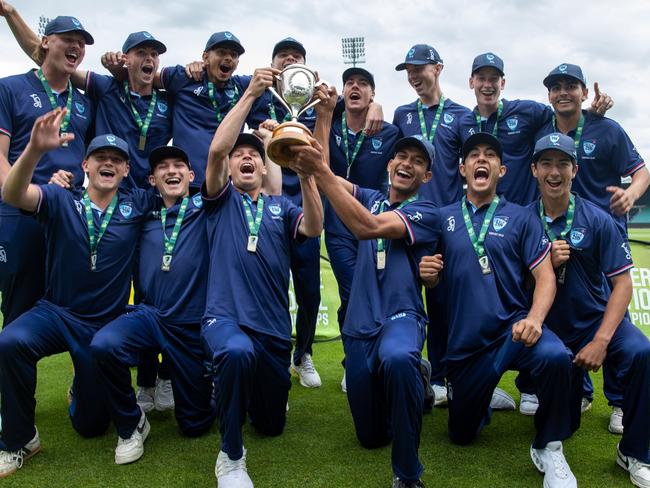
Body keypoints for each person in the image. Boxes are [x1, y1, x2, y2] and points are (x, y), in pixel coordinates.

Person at [292, 84, 439, 486]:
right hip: (359, 322)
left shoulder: (425, 210)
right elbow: (328, 179)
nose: (406, 164)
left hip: (400, 316)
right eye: (401, 157)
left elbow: (367, 227)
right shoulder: (371, 195)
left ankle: (408, 474)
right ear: (390, 164)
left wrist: (320, 171)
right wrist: (323, 116)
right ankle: (413, 384)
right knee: (370, 437)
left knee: (397, 359)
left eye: (417, 161)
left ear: (427, 175)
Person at [0, 111, 155, 478]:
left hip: (104, 325)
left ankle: (85, 391)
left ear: (126, 170)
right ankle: (19, 440)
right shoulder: (59, 198)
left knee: (90, 427)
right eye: (101, 157)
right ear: (86, 163)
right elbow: (12, 192)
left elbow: (182, 195)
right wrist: (35, 151)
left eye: (117, 160)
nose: (108, 163)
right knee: (9, 342)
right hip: (56, 313)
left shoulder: (137, 206)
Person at [422, 132, 579, 488]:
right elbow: (432, 279)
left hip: (514, 330)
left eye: (490, 155)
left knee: (555, 356)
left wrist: (535, 319)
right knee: (461, 435)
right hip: (466, 347)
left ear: (502, 170)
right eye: (474, 155)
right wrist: (428, 276)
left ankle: (549, 445)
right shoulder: (443, 217)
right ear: (462, 169)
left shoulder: (522, 218)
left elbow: (545, 277)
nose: (482, 159)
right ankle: (482, 396)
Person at [200, 67, 323, 487]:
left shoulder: (279, 207)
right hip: (226, 318)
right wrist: (251, 94)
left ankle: (241, 394)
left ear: (266, 162)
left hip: (272, 330)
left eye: (255, 152)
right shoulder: (219, 202)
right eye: (240, 153)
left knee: (271, 425)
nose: (246, 156)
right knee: (235, 353)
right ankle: (231, 456)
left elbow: (313, 227)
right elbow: (216, 150)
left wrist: (306, 173)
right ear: (232, 165)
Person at [521, 63, 648, 420]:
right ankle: (578, 390)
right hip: (555, 230)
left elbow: (640, 172)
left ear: (584, 91)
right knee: (564, 309)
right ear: (548, 95)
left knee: (607, 315)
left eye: (570, 86)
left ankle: (620, 400)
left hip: (601, 234)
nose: (563, 92)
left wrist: (631, 195)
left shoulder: (606, 129)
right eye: (556, 87)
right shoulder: (542, 130)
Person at [529, 131, 650, 488]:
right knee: (555, 371)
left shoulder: (598, 219)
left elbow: (623, 285)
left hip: (593, 321)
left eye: (562, 164)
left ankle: (635, 450)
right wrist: (544, 262)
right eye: (547, 163)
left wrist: (601, 339)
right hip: (549, 326)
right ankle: (546, 443)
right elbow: (514, 284)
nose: (555, 172)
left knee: (642, 351)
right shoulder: (522, 219)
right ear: (534, 169)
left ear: (575, 170)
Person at [89, 146, 216, 465]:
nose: (171, 171)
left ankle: (212, 388)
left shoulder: (207, 205)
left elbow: (221, 163)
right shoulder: (141, 212)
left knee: (195, 426)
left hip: (190, 324)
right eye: (162, 167)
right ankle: (132, 424)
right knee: (104, 344)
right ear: (151, 179)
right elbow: (102, 198)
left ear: (191, 176)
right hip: (151, 316)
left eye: (178, 166)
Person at [0, 8, 94, 326]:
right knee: (19, 309)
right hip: (21, 213)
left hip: (69, 214)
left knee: (75, 308)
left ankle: (86, 379)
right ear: (45, 43)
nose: (76, 48)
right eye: (68, 39)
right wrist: (15, 192)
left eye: (81, 43)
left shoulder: (85, 102)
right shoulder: (10, 88)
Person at [323, 67, 401, 390]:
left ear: (373, 96)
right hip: (339, 225)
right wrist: (327, 115)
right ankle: (352, 360)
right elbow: (320, 165)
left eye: (364, 84)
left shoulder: (390, 132)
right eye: (350, 83)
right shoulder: (330, 124)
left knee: (377, 292)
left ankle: (378, 356)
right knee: (352, 293)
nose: (355, 87)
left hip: (376, 224)